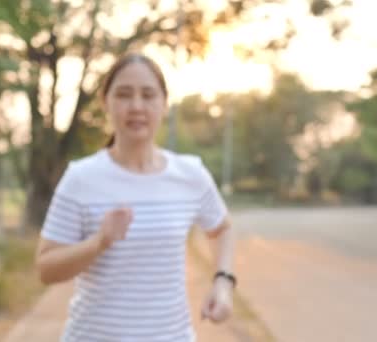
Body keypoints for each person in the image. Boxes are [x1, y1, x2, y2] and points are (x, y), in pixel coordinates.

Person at [35, 52, 236, 342]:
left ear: (164, 104)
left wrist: (223, 282)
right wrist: (99, 242)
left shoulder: (190, 174)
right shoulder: (81, 178)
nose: (137, 106)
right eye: (124, 95)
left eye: (148, 95)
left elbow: (222, 228)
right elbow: (46, 269)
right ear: (106, 102)